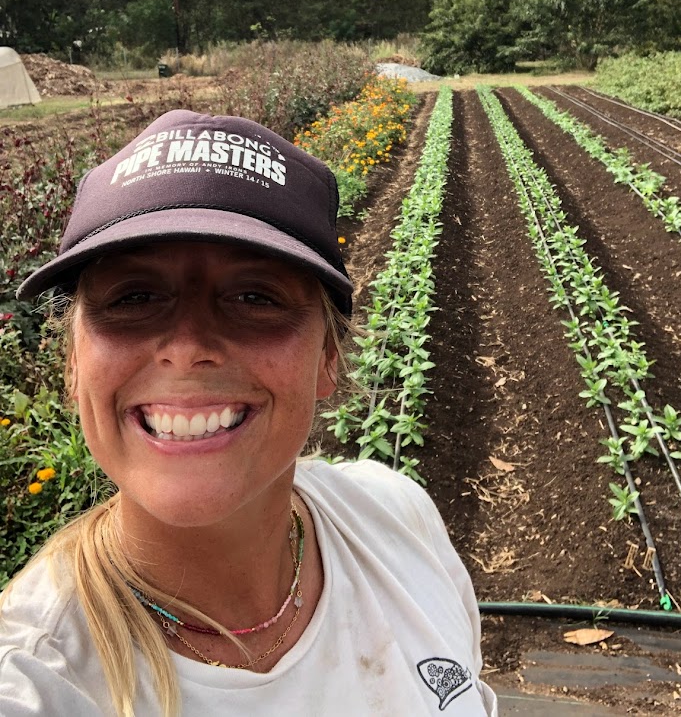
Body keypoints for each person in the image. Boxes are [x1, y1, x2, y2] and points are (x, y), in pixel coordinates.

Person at [0, 110, 497, 716]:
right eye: (133, 297)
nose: (186, 346)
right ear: (74, 362)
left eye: (254, 296)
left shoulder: (396, 518)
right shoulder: (34, 683)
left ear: (327, 358)